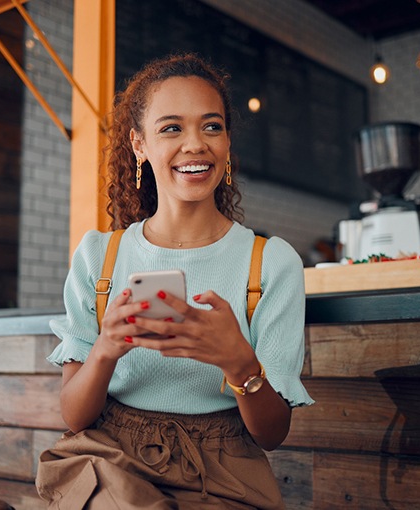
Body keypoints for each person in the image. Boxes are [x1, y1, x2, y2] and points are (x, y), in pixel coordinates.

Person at [36, 53, 313, 509]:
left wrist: (240, 364)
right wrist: (106, 349)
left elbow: (271, 436)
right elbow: (74, 415)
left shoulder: (270, 263)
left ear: (226, 142)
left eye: (211, 126)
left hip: (225, 475)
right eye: (171, 128)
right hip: (112, 463)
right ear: (138, 144)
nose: (195, 144)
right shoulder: (98, 257)